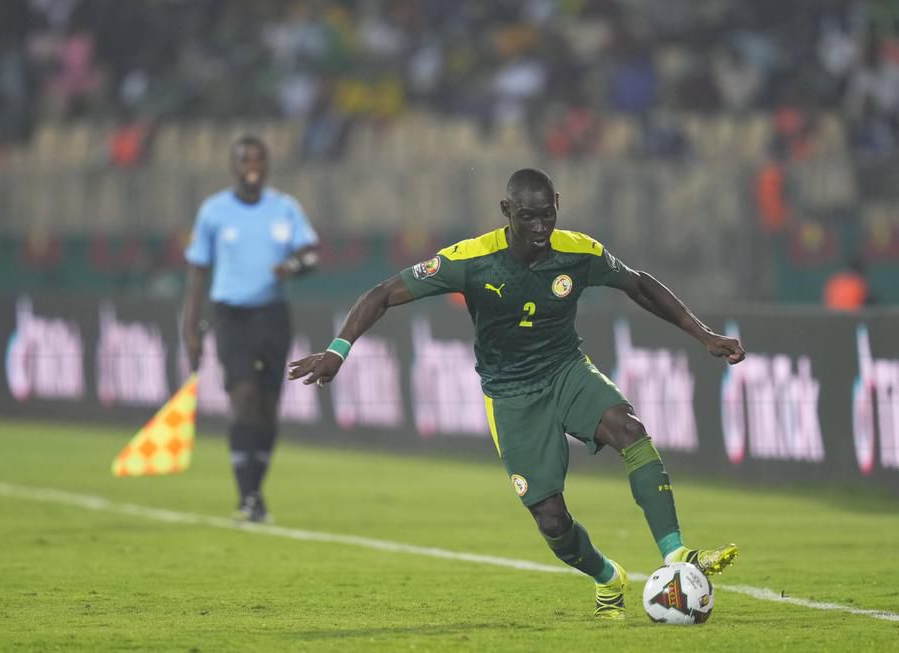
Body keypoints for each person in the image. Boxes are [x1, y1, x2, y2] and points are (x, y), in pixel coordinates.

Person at [288, 168, 746, 620]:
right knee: (551, 519)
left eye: (547, 214)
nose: (541, 227)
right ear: (507, 211)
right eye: (528, 217)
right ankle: (608, 578)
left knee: (630, 429)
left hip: (566, 370)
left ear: (557, 206)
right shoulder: (471, 259)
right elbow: (383, 293)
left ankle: (676, 555)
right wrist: (337, 351)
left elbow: (639, 284)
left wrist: (703, 334)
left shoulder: (578, 251)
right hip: (510, 394)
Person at [182, 135, 319, 523]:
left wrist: (293, 267)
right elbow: (198, 270)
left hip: (272, 315)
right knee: (243, 397)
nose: (253, 166)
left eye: (259, 159)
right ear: (235, 166)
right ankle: (248, 495)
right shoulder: (214, 211)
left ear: (268, 165)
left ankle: (255, 491)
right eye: (246, 160)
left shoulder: (285, 208)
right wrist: (190, 329)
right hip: (232, 316)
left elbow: (310, 254)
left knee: (268, 407)